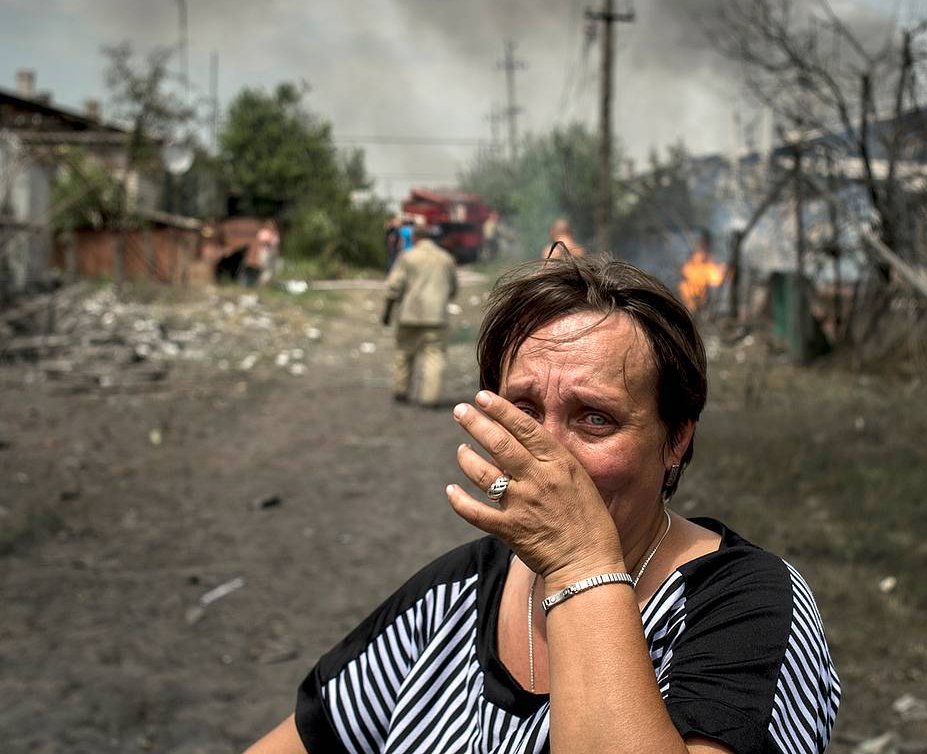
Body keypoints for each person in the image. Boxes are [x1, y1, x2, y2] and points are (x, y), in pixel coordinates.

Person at [246, 253, 839, 754]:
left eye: (595, 418)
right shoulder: (452, 597)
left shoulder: (747, 605)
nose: (546, 454)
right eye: (523, 411)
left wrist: (580, 564)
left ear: (676, 437)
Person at [381, 224, 458, 408]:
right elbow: (453, 288)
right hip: (436, 316)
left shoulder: (407, 257)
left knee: (404, 353)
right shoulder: (446, 258)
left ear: (415, 238)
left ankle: (401, 392)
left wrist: (387, 313)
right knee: (434, 356)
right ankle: (429, 398)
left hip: (410, 314)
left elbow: (393, 288)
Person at [678, 227, 729, 316]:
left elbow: (715, 279)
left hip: (705, 302)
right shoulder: (693, 263)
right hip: (692, 299)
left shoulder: (709, 264)